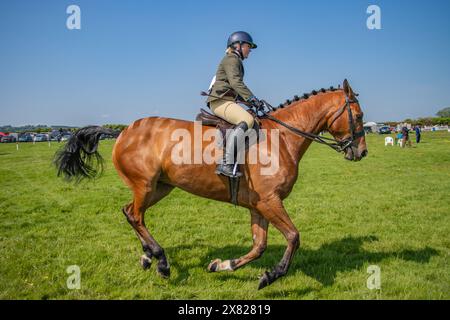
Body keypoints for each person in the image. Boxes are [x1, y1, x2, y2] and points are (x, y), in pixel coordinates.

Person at [206, 31, 262, 177]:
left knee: (251, 117)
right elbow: (236, 82)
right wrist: (251, 98)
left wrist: (251, 103)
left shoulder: (233, 60)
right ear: (238, 45)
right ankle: (226, 162)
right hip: (220, 101)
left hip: (225, 100)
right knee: (247, 120)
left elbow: (234, 88)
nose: (249, 50)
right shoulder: (232, 59)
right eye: (248, 46)